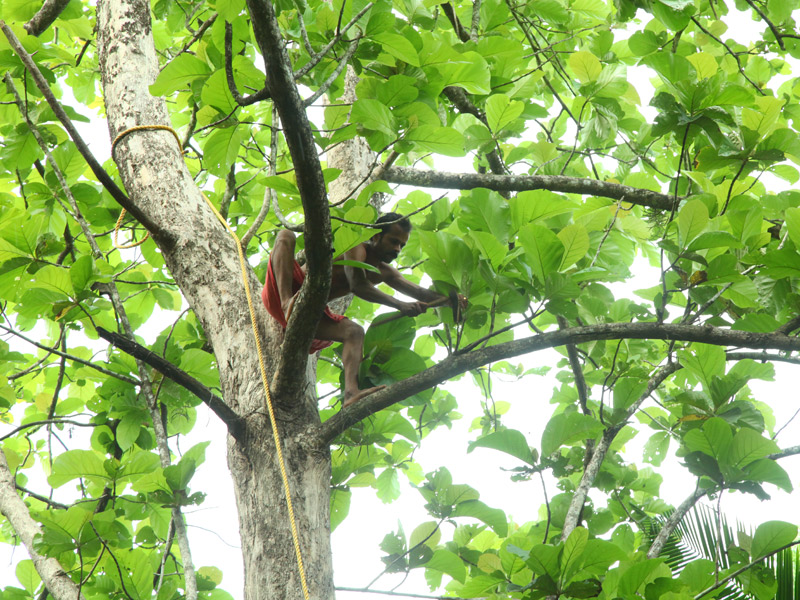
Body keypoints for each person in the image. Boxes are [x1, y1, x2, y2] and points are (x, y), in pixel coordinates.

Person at [262, 213, 463, 408]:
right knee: (286, 235)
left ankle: (351, 393)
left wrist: (452, 302)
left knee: (355, 332)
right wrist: (400, 304)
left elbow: (420, 292)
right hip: (284, 292)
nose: (397, 249)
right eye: (393, 241)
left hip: (311, 315)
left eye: (401, 245)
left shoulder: (385, 272)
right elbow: (357, 284)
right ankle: (287, 302)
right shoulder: (356, 247)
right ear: (376, 236)